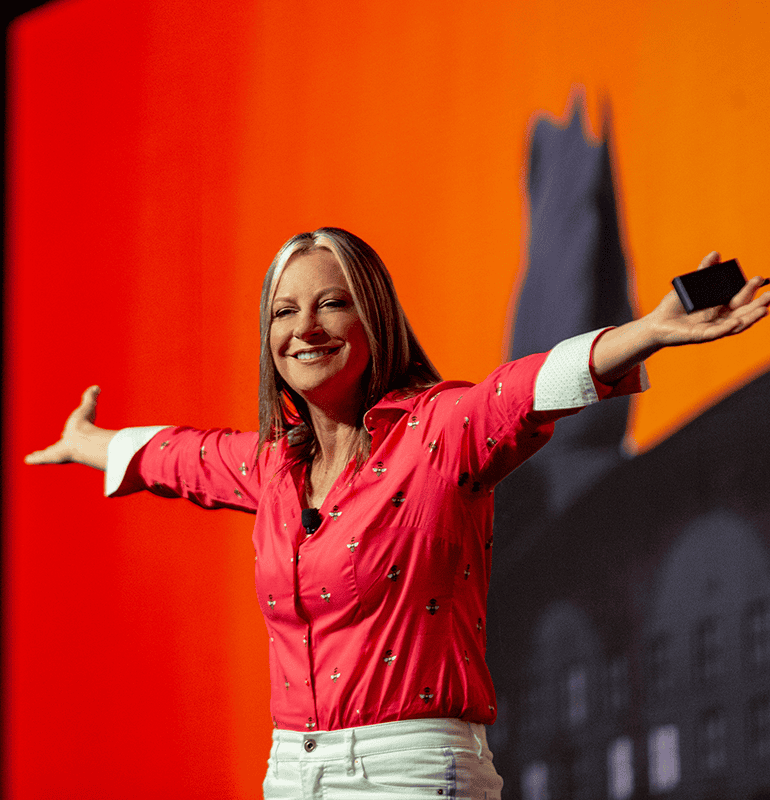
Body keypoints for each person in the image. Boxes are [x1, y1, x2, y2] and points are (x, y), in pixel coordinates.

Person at [25, 228, 770, 799]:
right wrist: (91, 440)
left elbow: (523, 388)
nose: (304, 327)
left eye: (331, 302)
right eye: (285, 311)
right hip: (293, 771)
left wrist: (647, 332)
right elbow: (177, 455)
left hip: (416, 767)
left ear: (374, 315)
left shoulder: (439, 430)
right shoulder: (273, 467)